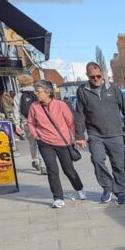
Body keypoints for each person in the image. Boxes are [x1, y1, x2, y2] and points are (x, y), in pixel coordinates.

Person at [74, 61, 125, 204]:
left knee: (118, 165)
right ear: (87, 76)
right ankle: (107, 187)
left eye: (98, 76)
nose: (96, 79)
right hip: (95, 134)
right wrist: (80, 136)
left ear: (102, 74)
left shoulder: (113, 88)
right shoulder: (82, 90)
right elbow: (79, 114)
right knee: (97, 160)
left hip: (115, 134)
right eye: (92, 77)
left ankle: (120, 191)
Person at [26, 80, 86, 209]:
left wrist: (73, 138)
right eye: (35, 91)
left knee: (68, 170)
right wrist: (35, 134)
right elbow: (30, 122)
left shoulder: (61, 105)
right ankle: (58, 198)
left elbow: (70, 123)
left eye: (39, 91)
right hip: (45, 143)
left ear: (48, 92)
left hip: (62, 143)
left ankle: (79, 188)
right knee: (52, 171)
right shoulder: (34, 106)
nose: (36, 93)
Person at [13, 75, 45, 174]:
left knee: (32, 143)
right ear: (31, 82)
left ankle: (35, 160)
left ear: (21, 83)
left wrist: (17, 125)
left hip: (27, 122)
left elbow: (16, 111)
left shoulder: (18, 95)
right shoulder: (38, 93)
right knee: (42, 143)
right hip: (41, 122)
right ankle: (43, 165)